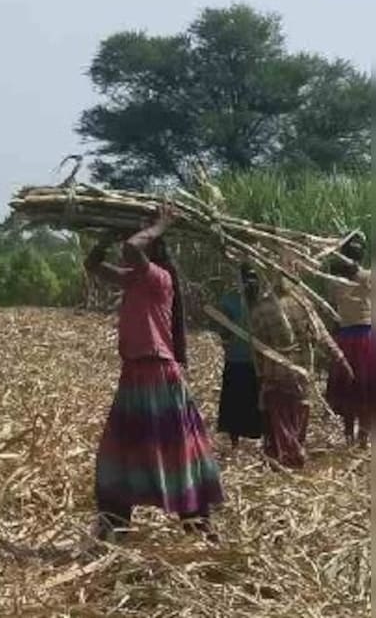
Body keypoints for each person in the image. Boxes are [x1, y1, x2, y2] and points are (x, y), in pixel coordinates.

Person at [83, 207, 224, 541]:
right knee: (118, 453)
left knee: (176, 451)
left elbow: (132, 249)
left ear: (154, 250)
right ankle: (114, 525)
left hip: (158, 374)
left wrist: (161, 224)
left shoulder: (160, 278)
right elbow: (92, 265)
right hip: (135, 375)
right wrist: (107, 233)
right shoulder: (134, 279)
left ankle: (198, 525)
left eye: (147, 241)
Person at [250, 269, 352, 468]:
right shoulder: (304, 304)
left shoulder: (260, 309)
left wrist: (261, 372)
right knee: (298, 420)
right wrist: (341, 359)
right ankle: (292, 457)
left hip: (276, 375)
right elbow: (323, 337)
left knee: (281, 423)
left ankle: (291, 457)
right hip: (303, 373)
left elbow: (258, 348)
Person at [324, 235, 373, 446]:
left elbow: (332, 303)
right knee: (364, 387)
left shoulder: (335, 281)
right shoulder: (366, 276)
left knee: (350, 386)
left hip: (346, 337)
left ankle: (351, 435)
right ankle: (361, 434)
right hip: (364, 338)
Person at [214, 265, 263, 448]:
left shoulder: (264, 301)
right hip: (237, 359)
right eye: (247, 279)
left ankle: (261, 438)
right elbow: (223, 330)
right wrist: (228, 337)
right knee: (235, 400)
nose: (251, 283)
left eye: (254, 278)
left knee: (258, 401)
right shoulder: (230, 299)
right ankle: (235, 441)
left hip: (259, 361)